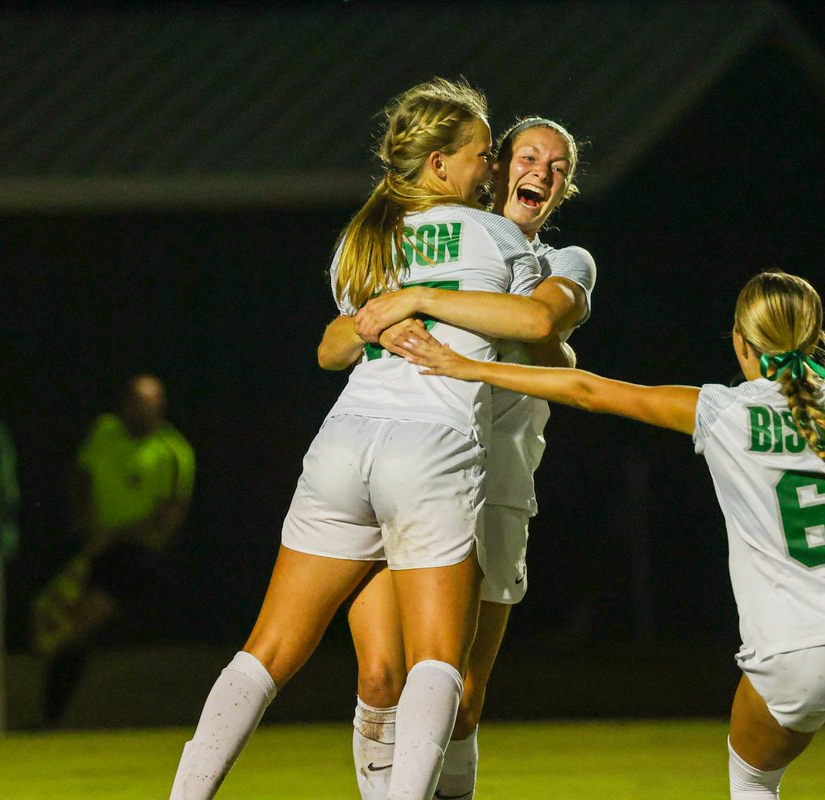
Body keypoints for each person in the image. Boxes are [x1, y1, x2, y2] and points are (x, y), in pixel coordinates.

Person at [392, 270, 825, 799]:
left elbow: (589, 390)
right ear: (815, 335)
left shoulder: (721, 411)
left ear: (740, 341)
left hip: (791, 649)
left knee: (753, 780)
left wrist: (465, 364)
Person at [169, 78, 561, 800]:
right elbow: (538, 327)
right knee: (436, 661)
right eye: (483, 154)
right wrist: (431, 302)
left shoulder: (364, 236)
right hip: (431, 444)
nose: (493, 167)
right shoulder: (497, 234)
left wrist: (392, 308)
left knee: (268, 649)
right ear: (440, 164)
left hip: (344, 442)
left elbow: (331, 348)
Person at [330, 117, 594, 800]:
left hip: (499, 481)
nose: (542, 173)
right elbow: (335, 340)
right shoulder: (430, 246)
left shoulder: (564, 262)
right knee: (381, 677)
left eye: (559, 167)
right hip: (413, 467)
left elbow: (546, 336)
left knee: (464, 698)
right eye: (529, 156)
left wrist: (466, 313)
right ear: (494, 166)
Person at [32, 374, 194, 726]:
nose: (141, 410)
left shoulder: (174, 452)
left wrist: (113, 535)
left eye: (149, 404)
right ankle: (49, 721)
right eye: (136, 402)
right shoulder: (104, 431)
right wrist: (87, 521)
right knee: (52, 623)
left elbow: (166, 522)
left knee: (75, 631)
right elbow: (81, 475)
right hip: (96, 552)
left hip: (140, 559)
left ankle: (49, 721)